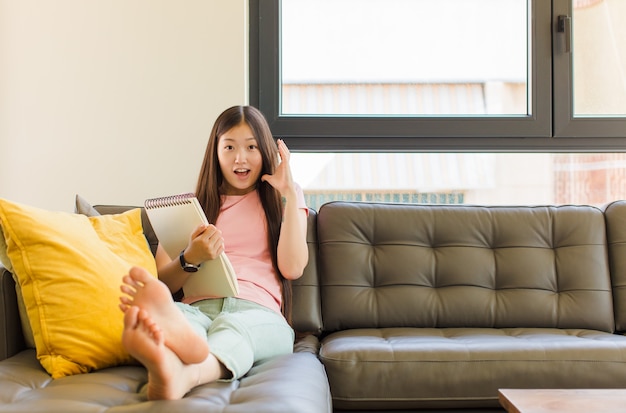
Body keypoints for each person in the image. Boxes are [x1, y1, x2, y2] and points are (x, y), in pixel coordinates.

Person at [118, 105, 309, 400]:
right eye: (229, 147)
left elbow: (293, 268)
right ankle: (169, 357)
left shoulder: (284, 197)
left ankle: (185, 372)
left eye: (251, 147)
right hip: (200, 307)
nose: (240, 158)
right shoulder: (192, 206)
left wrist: (290, 194)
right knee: (183, 318)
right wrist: (190, 257)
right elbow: (163, 284)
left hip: (259, 311)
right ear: (215, 152)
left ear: (267, 152)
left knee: (234, 329)